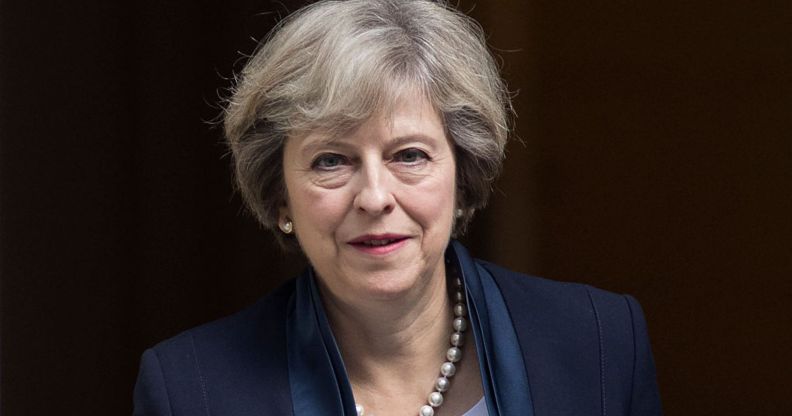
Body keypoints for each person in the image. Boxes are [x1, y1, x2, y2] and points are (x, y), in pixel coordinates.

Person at [133, 0, 663, 415]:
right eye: (331, 161)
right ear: (278, 197)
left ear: (462, 173)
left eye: (409, 155)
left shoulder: (598, 342)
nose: (375, 196)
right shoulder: (191, 390)